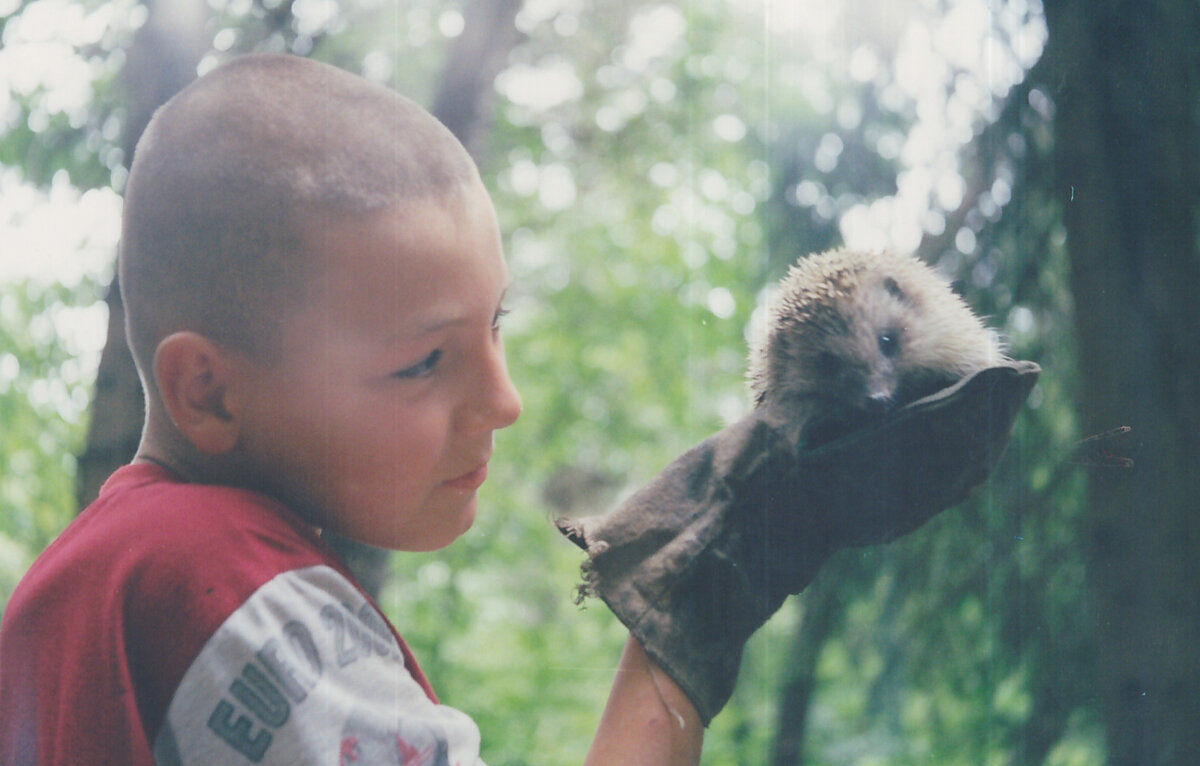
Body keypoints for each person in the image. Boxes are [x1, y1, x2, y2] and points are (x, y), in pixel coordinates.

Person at [0, 54, 702, 765]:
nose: (504, 402)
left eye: (496, 322)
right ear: (209, 392)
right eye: (424, 362)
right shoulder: (224, 584)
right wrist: (680, 632)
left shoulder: (74, 595)